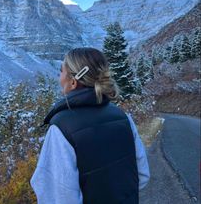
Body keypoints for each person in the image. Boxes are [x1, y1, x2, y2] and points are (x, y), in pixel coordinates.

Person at [31, 47, 150, 204]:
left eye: (61, 72)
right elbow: (142, 176)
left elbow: (57, 196)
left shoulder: (61, 128)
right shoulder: (123, 117)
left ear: (73, 81)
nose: (59, 78)